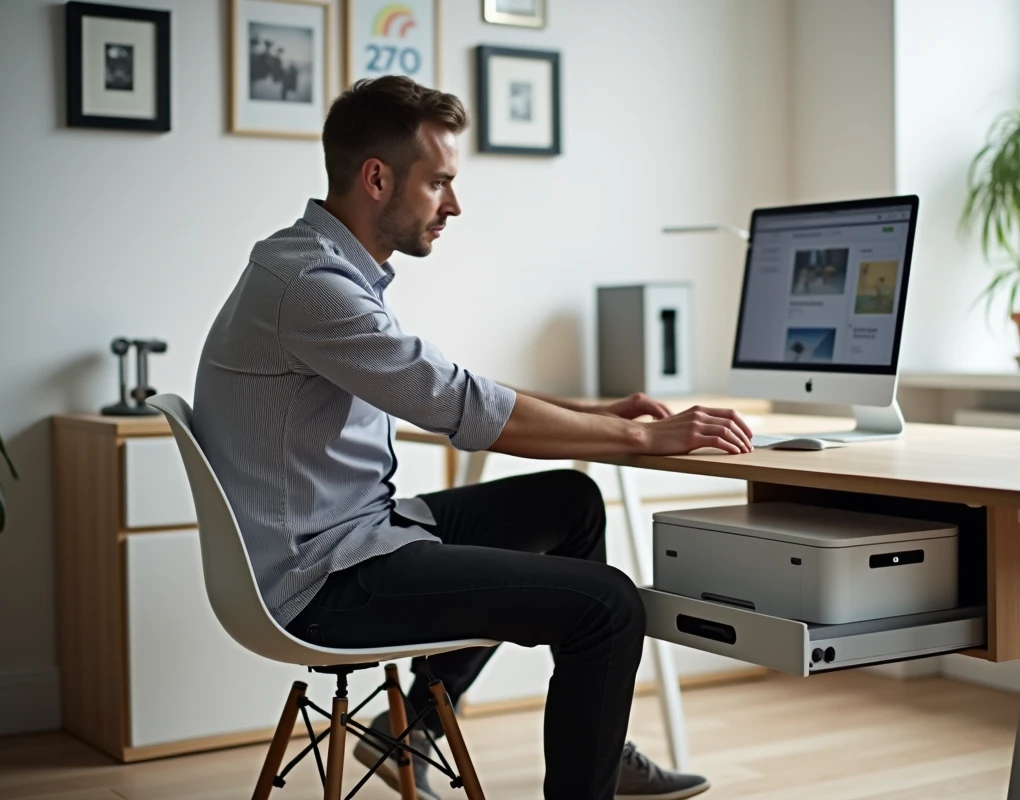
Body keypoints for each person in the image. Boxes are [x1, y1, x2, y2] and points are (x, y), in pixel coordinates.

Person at [193, 75, 754, 800]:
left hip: (356, 533)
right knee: (610, 607)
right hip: (324, 580)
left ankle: (434, 724)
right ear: (376, 178)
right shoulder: (312, 286)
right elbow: (459, 404)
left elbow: (450, 382)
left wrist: (599, 414)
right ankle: (588, 769)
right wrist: (646, 440)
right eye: (439, 183)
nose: (453, 205)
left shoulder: (311, 264)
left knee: (572, 503)